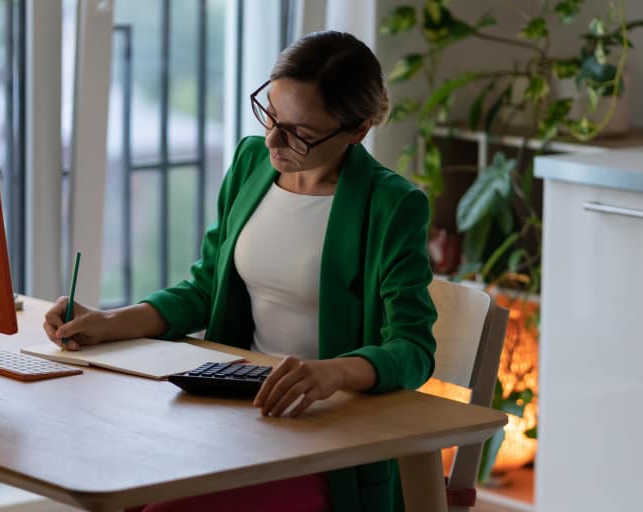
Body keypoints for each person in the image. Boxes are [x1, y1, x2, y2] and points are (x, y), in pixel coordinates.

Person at [43, 30, 437, 512]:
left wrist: (332, 373)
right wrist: (107, 322)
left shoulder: (393, 205)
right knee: (113, 478)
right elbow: (205, 288)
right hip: (236, 416)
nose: (273, 137)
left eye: (300, 133)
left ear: (357, 130)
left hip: (329, 444)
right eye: (270, 113)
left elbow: (413, 349)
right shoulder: (252, 163)